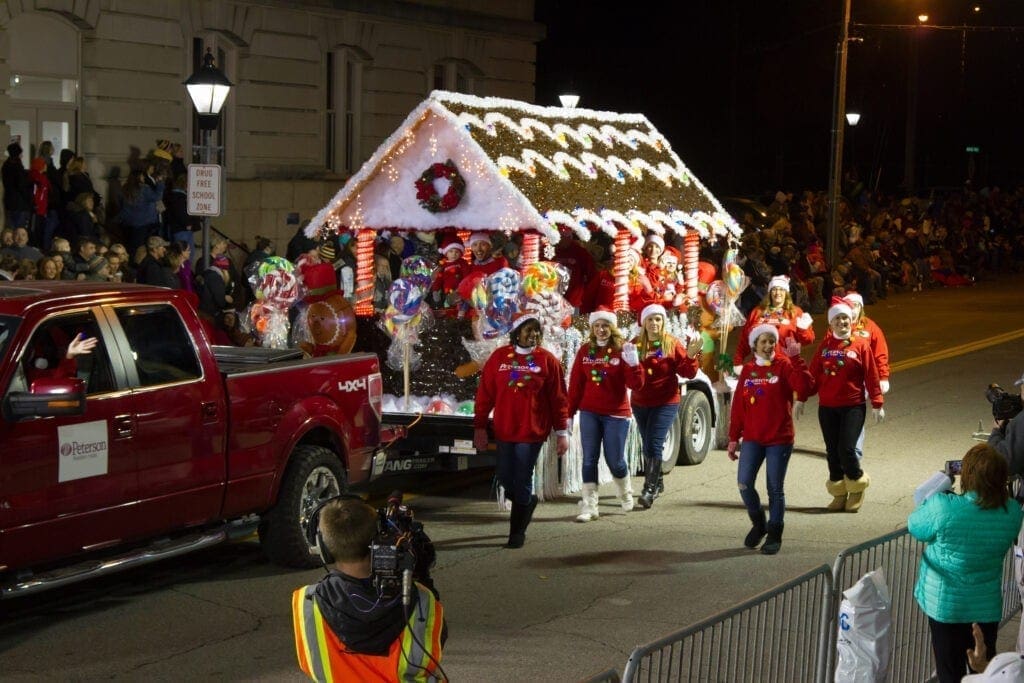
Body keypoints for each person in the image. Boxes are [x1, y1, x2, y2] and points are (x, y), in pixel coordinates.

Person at [292, 497, 445, 682]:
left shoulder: (306, 602)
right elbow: (433, 650)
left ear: (323, 548)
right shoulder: (421, 599)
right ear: (380, 541)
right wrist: (420, 575)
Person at [908, 444, 1023, 683]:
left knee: (949, 671)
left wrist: (939, 494)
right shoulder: (1012, 512)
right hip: (985, 607)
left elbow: (916, 525)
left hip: (946, 606)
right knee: (985, 670)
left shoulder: (944, 507)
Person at [473, 313, 570, 548]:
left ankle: (517, 532)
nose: (533, 335)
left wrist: (562, 432)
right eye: (528, 330)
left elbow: (559, 399)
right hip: (505, 429)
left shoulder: (548, 361)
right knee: (505, 476)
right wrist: (480, 427)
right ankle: (527, 502)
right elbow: (485, 395)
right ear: (516, 333)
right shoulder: (498, 358)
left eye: (537, 330)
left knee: (523, 476)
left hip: (532, 431)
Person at [728, 324, 812, 554]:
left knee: (774, 488)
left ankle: (775, 533)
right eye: (763, 341)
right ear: (754, 344)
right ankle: (759, 524)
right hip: (753, 438)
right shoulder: (747, 370)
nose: (767, 346)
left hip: (779, 438)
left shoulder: (784, 365)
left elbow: (804, 388)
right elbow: (738, 407)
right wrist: (733, 438)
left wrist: (796, 359)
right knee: (744, 483)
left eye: (771, 341)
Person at [800, 297, 883, 512]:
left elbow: (871, 376)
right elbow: (813, 376)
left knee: (846, 448)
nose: (842, 322)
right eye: (837, 319)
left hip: (853, 406)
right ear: (831, 323)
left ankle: (856, 486)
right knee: (832, 451)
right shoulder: (825, 346)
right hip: (827, 407)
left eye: (845, 318)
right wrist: (801, 398)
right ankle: (839, 492)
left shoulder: (861, 345)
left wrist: (877, 403)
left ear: (851, 320)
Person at [567, 308, 644, 521]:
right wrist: (569, 413)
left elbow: (635, 384)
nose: (601, 330)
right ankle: (590, 506)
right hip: (590, 412)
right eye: (597, 326)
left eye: (605, 326)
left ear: (612, 328)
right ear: (592, 328)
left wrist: (634, 364)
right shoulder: (584, 351)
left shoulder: (622, 349)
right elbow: (576, 385)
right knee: (589, 459)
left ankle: (625, 492)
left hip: (616, 414)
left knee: (615, 460)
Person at [629, 303, 703, 509]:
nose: (654, 323)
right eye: (650, 319)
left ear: (663, 322)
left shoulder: (671, 343)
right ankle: (658, 480)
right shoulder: (634, 344)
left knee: (654, 443)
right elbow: (629, 378)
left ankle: (649, 489)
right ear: (643, 322)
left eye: (658, 319)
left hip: (666, 402)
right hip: (641, 402)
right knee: (648, 444)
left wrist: (690, 356)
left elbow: (687, 373)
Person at [732, 275, 814, 373]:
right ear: (770, 292)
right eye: (774, 289)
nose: (778, 293)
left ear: (786, 293)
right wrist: (738, 362)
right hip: (760, 366)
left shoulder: (795, 312)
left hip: (786, 368)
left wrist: (803, 329)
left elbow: (808, 340)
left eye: (781, 290)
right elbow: (744, 340)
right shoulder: (757, 312)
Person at [845, 291, 891, 459]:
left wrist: (883, 377)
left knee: (854, 414)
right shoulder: (838, 324)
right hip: (841, 381)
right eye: (849, 306)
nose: (853, 310)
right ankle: (843, 448)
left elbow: (880, 353)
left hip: (862, 380)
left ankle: (854, 452)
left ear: (861, 308)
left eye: (856, 306)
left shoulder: (871, 327)